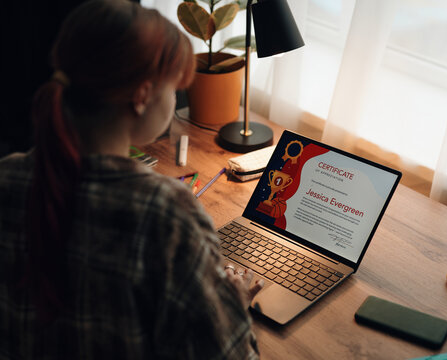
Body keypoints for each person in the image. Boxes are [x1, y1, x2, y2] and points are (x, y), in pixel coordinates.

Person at [0, 1, 263, 359]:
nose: (174, 99)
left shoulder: (8, 177)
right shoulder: (165, 213)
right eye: (174, 88)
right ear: (142, 96)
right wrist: (233, 304)